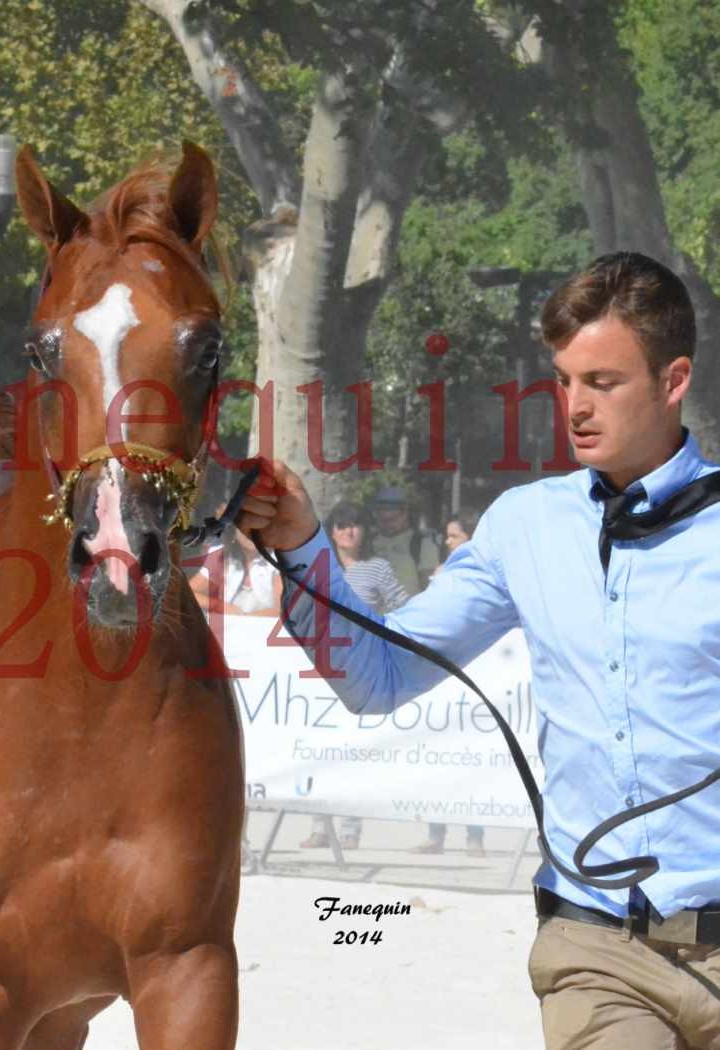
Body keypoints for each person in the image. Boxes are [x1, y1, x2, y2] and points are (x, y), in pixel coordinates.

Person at [236, 252, 720, 1049]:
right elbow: (377, 677)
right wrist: (302, 550)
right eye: (565, 380)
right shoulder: (522, 526)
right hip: (595, 952)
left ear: (673, 382)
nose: (576, 407)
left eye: (603, 382)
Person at [303, 500, 409, 850]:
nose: (350, 531)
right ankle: (320, 826)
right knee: (319, 751)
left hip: (360, 670)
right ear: (331, 532)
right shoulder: (319, 567)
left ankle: (349, 829)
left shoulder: (377, 568)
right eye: (343, 525)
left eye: (356, 525)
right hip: (318, 671)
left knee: (351, 754)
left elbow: (402, 608)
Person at [415, 506, 487, 857]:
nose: (447, 541)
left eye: (454, 536)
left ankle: (476, 837)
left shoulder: (489, 576)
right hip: (442, 679)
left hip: (478, 680)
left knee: (474, 758)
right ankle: (436, 833)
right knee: (439, 758)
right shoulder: (441, 572)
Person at [189, 506, 282, 615]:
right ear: (234, 532)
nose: (253, 534)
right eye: (246, 528)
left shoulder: (279, 559)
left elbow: (282, 610)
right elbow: (188, 592)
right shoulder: (221, 555)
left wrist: (243, 618)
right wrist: (218, 605)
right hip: (228, 627)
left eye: (258, 528)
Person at [369, 486, 439, 595]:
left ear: (405, 514)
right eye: (383, 520)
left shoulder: (421, 544)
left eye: (393, 520)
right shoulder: (368, 543)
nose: (388, 525)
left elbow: (431, 589)